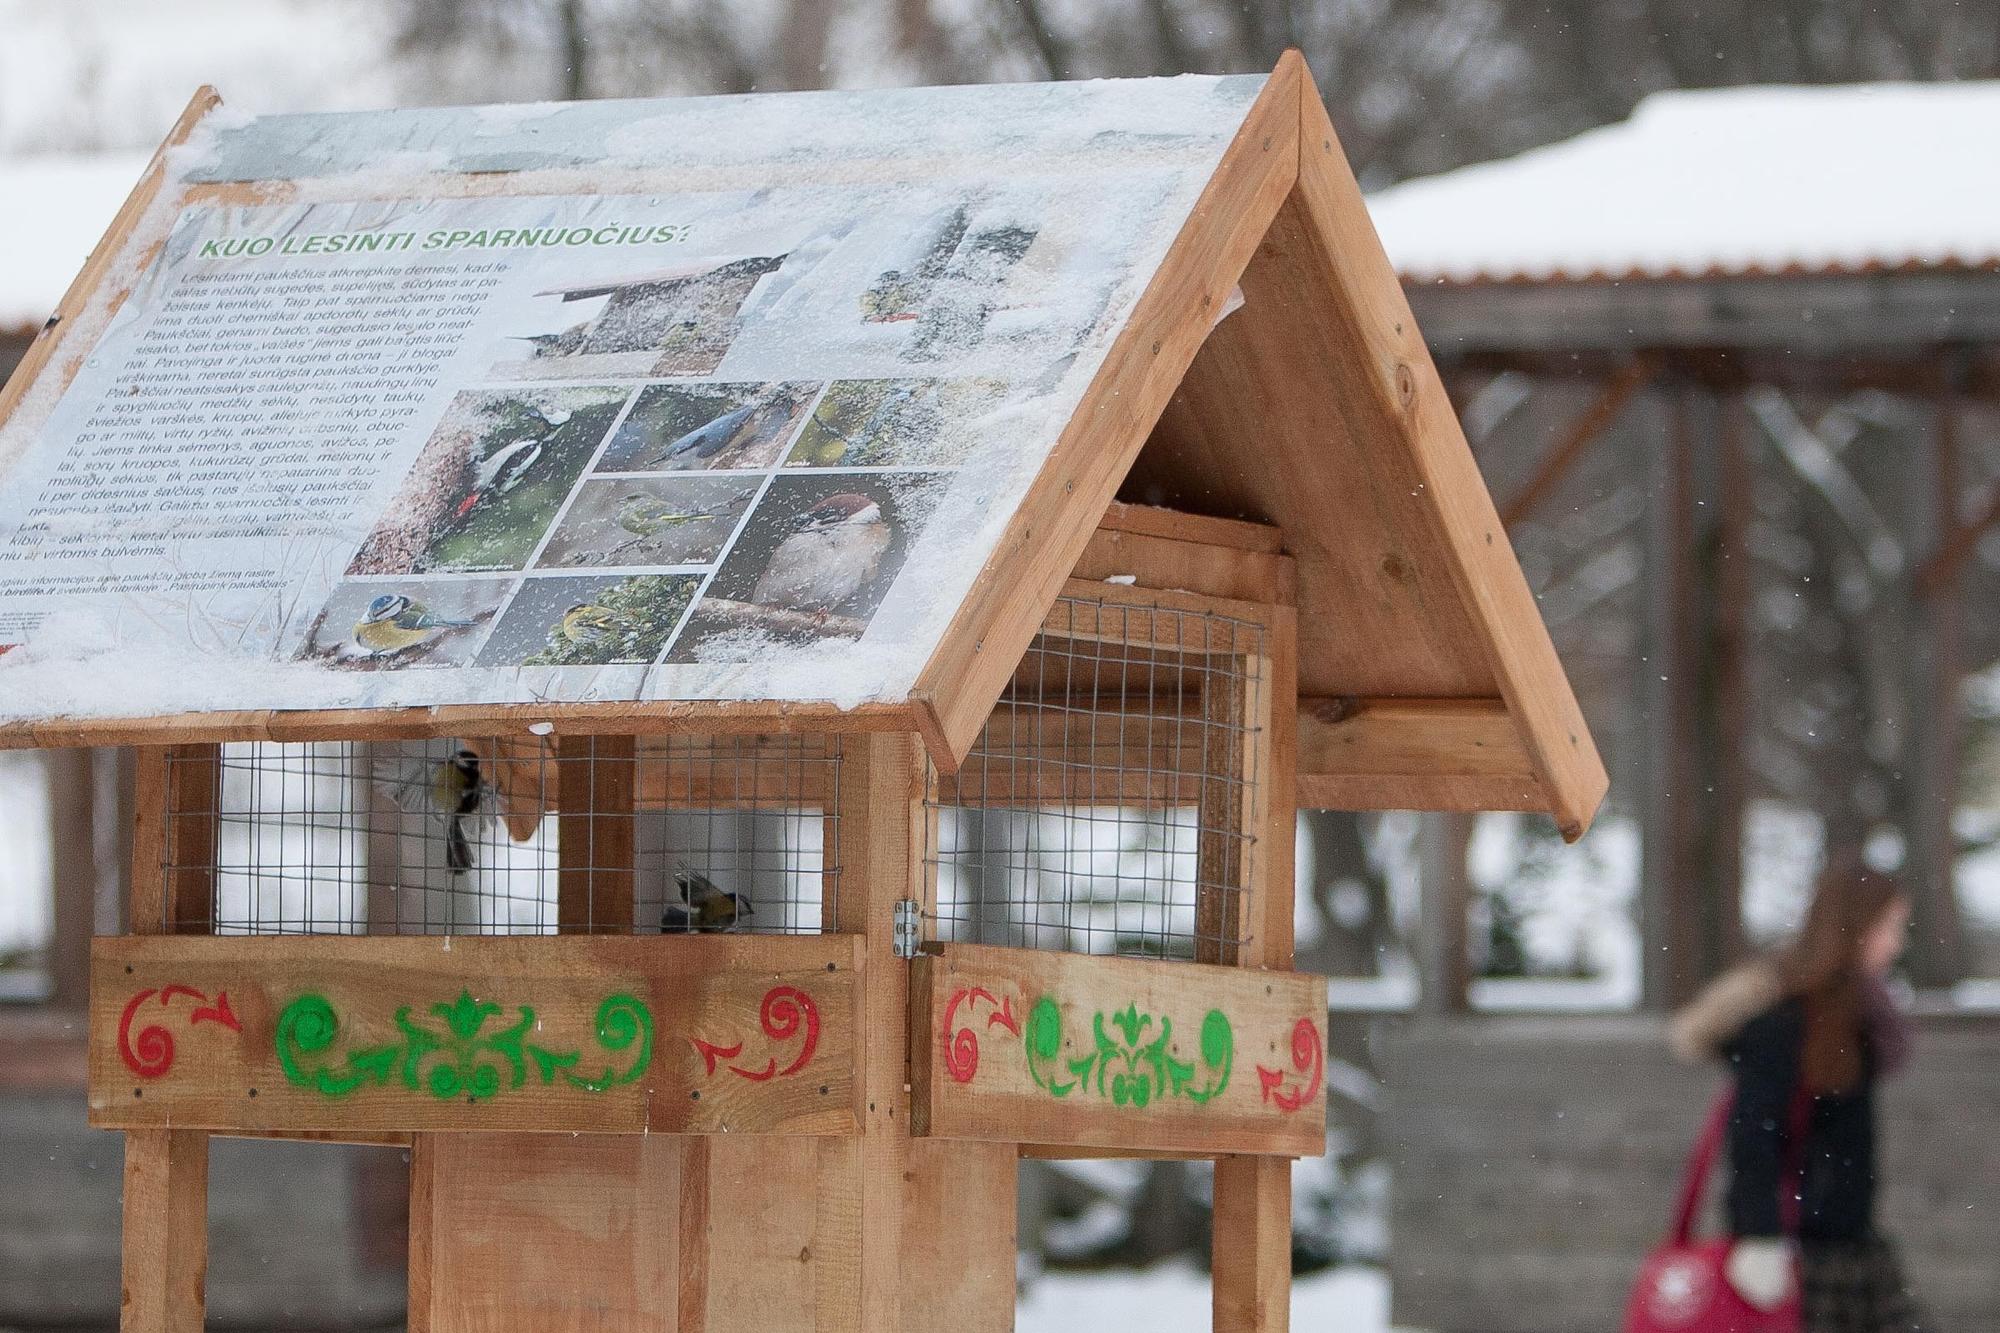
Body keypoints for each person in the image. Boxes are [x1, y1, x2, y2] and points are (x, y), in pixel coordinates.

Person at [1669, 860, 1936, 1333]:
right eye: (1888, 926)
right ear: (1853, 927)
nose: (1896, 942)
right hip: (1796, 1253)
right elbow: (1754, 1130)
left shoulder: (1859, 1013)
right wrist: (1759, 1236)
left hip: (1849, 1243)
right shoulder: (1786, 1020)